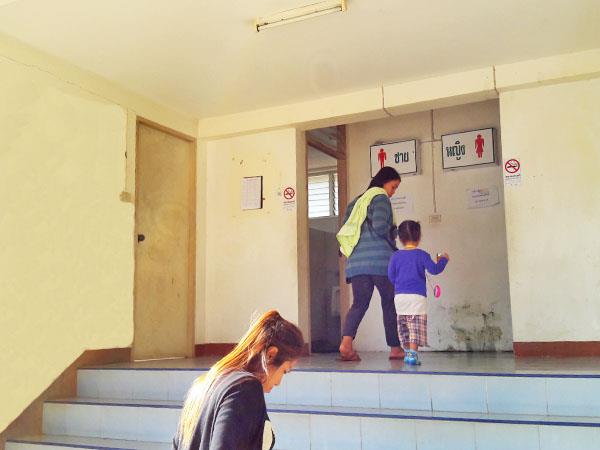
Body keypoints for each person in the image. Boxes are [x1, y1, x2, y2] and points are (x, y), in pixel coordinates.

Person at [173, 310, 304, 450]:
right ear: (271, 354)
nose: (279, 383)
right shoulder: (245, 388)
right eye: (285, 371)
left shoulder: (204, 384)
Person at [338, 166, 403, 361]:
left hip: (357, 262)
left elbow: (347, 228)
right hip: (380, 261)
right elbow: (381, 226)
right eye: (394, 187)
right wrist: (396, 233)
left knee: (359, 304)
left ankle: (346, 343)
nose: (393, 192)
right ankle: (395, 348)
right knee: (389, 302)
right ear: (385, 182)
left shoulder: (355, 203)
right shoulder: (380, 197)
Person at [387, 220, 449, 365]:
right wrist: (443, 260)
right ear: (419, 236)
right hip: (417, 297)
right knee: (415, 325)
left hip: (400, 297)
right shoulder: (422, 255)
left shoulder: (395, 256)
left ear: (400, 238)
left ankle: (407, 351)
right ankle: (413, 355)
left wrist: (400, 283)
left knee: (403, 324)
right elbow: (435, 269)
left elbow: (390, 276)